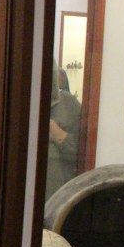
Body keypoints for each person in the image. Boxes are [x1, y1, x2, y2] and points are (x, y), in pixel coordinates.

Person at [46, 64, 82, 201]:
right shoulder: (12, 101)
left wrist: (58, 134)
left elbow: (84, 151)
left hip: (57, 193)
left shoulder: (69, 104)